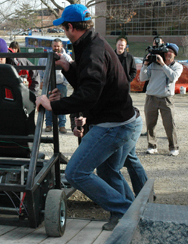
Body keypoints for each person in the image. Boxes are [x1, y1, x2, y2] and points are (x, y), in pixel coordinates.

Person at [35, 4, 138, 231]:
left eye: (63, 28)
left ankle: (125, 212)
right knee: (106, 171)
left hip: (113, 123)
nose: (63, 32)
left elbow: (88, 96)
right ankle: (133, 211)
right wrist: (69, 68)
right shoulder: (91, 44)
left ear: (71, 27)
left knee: (75, 172)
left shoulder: (93, 51)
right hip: (121, 119)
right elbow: (90, 85)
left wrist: (53, 105)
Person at [139, 43, 183, 156]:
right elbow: (143, 78)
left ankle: (174, 147)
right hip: (151, 98)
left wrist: (163, 64)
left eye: (171, 52)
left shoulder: (177, 66)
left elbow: (173, 77)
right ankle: (151, 146)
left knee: (169, 125)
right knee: (150, 124)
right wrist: (145, 64)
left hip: (166, 99)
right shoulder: (154, 64)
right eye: (166, 51)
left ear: (175, 54)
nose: (168, 53)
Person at [38, 38, 72, 134]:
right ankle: (48, 125)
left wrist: (65, 83)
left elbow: (70, 69)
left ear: (61, 46)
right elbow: (40, 69)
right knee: (47, 104)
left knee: (62, 105)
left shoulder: (66, 57)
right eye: (54, 46)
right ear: (51, 46)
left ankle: (62, 125)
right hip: (48, 84)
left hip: (61, 84)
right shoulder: (45, 57)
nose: (56, 48)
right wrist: (42, 81)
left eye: (58, 46)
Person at [140, 36, 164, 136]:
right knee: (149, 114)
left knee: (167, 117)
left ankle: (169, 131)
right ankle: (149, 131)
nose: (156, 44)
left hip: (162, 87)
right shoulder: (150, 52)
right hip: (151, 84)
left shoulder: (165, 52)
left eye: (158, 42)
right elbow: (144, 70)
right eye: (154, 43)